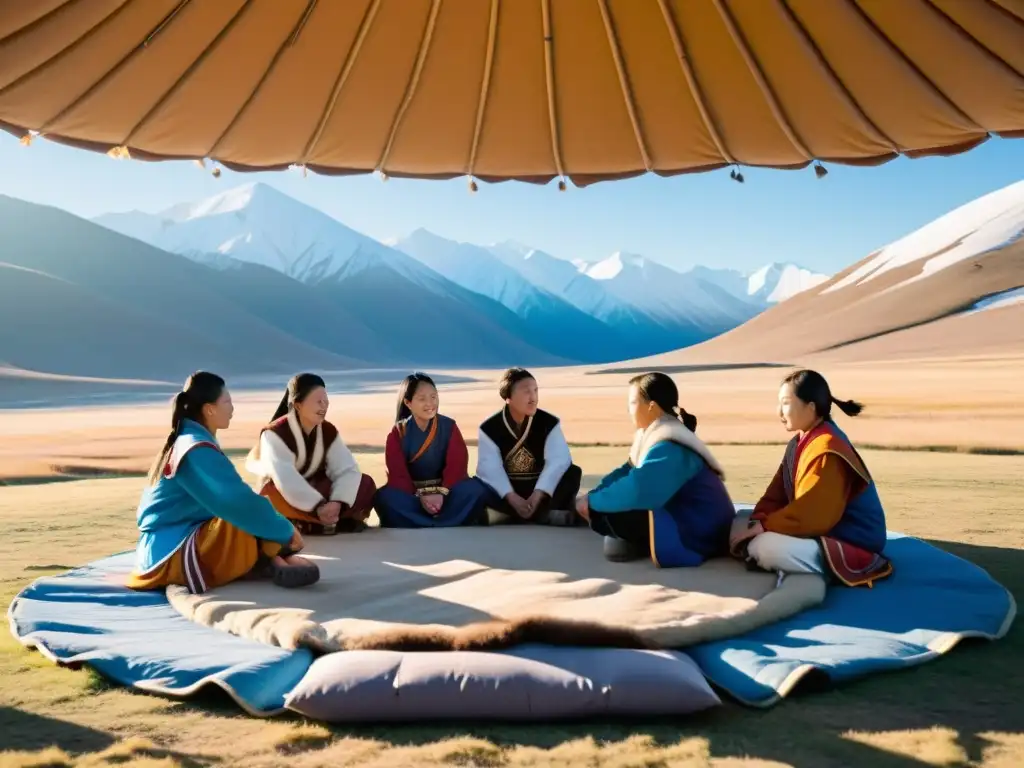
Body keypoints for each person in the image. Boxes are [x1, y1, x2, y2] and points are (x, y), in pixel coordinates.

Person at [127, 372, 319, 594]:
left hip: (172, 540)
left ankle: (272, 560)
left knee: (253, 512)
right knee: (241, 517)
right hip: (170, 550)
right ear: (209, 409)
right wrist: (284, 530)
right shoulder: (194, 448)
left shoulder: (191, 440)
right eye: (227, 401)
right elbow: (236, 501)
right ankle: (271, 560)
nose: (232, 408)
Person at [729, 369, 893, 587]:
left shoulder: (828, 447)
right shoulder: (798, 443)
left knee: (765, 547)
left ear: (811, 407)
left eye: (786, 403)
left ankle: (821, 568)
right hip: (814, 527)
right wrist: (758, 520)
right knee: (742, 518)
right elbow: (775, 495)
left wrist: (764, 527)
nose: (779, 411)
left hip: (849, 539)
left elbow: (814, 514)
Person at [575, 372, 735, 566]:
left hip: (702, 532)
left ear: (651, 407)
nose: (628, 409)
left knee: (612, 512)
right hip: (686, 518)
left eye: (633, 403)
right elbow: (627, 470)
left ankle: (649, 544)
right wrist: (594, 494)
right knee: (606, 506)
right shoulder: (653, 435)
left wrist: (593, 503)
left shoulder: (670, 445)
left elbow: (639, 489)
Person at [245, 373, 376, 535]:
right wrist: (317, 506)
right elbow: (284, 478)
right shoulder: (274, 433)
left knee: (364, 483)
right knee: (272, 492)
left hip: (317, 491)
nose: (324, 406)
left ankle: (322, 520)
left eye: (326, 401)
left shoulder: (328, 431)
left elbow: (346, 468)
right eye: (318, 402)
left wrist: (337, 501)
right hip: (287, 493)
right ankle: (317, 522)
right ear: (298, 405)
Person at [374, 373, 489, 527]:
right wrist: (421, 496)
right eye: (422, 399)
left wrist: (441, 492)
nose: (430, 403)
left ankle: (420, 522)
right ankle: (447, 520)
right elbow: (398, 474)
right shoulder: (399, 432)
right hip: (413, 495)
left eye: (433, 397)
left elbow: (457, 466)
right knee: (385, 498)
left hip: (447, 492)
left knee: (476, 490)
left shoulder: (449, 426)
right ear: (408, 403)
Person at [476, 367, 582, 526]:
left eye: (536, 391)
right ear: (508, 396)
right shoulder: (489, 428)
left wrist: (538, 494)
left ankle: (529, 513)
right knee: (479, 484)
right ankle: (542, 515)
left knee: (572, 472)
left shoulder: (549, 423)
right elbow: (490, 469)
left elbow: (558, 461)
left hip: (541, 493)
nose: (533, 398)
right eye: (526, 392)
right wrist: (512, 497)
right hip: (509, 493)